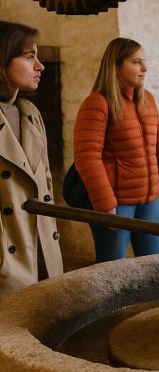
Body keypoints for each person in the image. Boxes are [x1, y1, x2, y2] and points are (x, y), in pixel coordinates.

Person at [74, 38, 159, 263]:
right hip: (116, 203)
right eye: (136, 62)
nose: (145, 68)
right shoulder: (97, 103)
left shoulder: (147, 100)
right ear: (116, 66)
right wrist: (105, 204)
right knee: (111, 269)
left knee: (153, 267)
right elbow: (87, 157)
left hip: (150, 200)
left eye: (144, 62)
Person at [0, 21, 63, 300]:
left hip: (42, 253)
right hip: (8, 261)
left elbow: (44, 181)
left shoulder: (30, 113)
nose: (40, 66)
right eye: (29, 57)